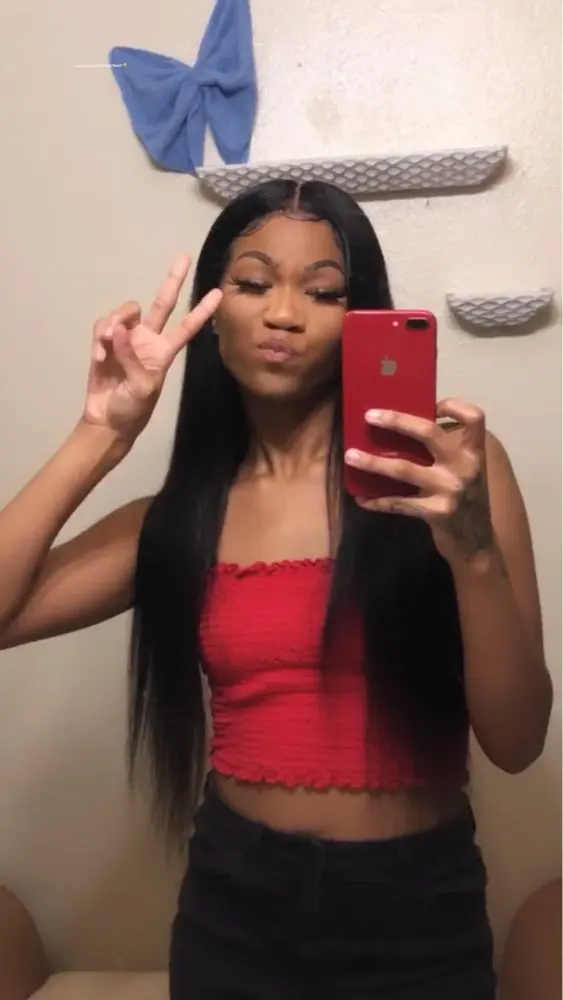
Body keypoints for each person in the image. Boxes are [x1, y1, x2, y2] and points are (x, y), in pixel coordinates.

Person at [0, 180, 552, 998]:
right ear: (212, 312)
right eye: (254, 282)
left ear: (360, 317)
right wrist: (100, 434)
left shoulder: (453, 474)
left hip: (416, 909)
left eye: (323, 291)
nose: (284, 313)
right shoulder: (181, 518)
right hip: (236, 906)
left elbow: (517, 741)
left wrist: (471, 553)